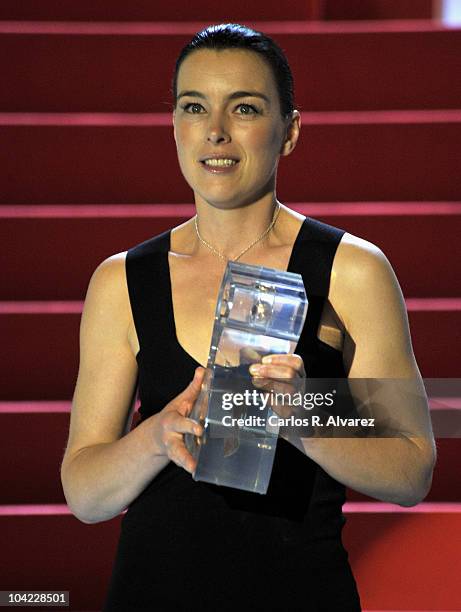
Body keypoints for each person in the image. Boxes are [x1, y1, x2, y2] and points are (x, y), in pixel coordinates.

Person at [60, 24, 436, 611]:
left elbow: (412, 468)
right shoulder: (122, 280)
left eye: (244, 108)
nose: (215, 131)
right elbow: (85, 493)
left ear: (289, 131)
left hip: (299, 589)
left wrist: (307, 415)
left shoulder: (351, 271)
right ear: (175, 127)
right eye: (193, 107)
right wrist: (156, 437)